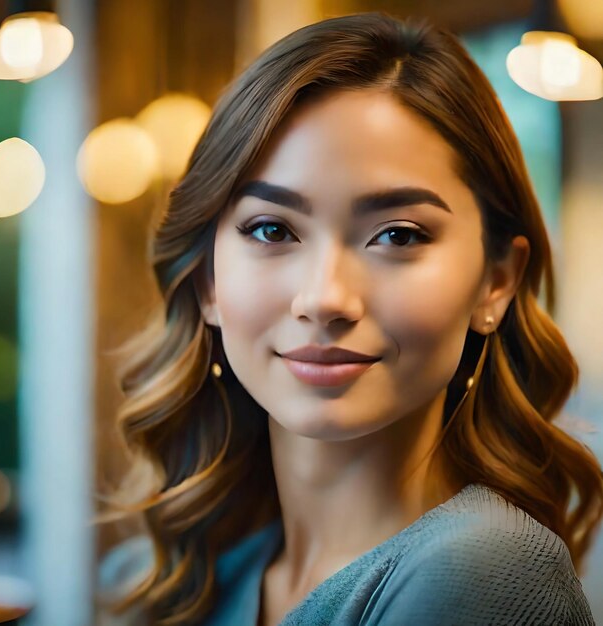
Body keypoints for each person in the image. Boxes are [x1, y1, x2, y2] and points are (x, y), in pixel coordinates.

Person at [97, 12, 603, 626]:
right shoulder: (177, 579)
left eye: (397, 235)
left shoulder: (483, 572)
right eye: (271, 229)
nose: (326, 297)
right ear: (208, 280)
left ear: (496, 280)